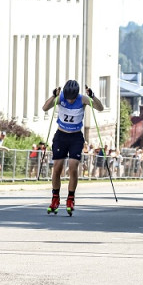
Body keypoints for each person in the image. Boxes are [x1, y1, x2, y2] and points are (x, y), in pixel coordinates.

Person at [41, 80, 104, 216]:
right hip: (61, 136)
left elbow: (100, 108)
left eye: (72, 99)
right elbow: (45, 108)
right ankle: (55, 198)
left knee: (73, 167)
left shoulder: (83, 99)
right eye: (68, 98)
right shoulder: (61, 97)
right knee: (57, 167)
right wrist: (53, 96)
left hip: (75, 137)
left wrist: (93, 96)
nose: (70, 101)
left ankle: (70, 198)